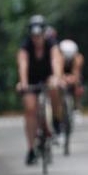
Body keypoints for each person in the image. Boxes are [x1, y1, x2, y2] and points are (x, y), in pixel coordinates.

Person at [15, 15, 64, 165]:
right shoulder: (25, 46)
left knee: (54, 88)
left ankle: (56, 121)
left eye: (39, 35)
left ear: (44, 33)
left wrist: (57, 77)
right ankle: (31, 149)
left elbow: (56, 60)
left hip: (48, 77)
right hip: (31, 80)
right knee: (30, 109)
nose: (37, 39)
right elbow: (23, 63)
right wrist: (23, 82)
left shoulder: (51, 44)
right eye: (34, 36)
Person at [58, 39, 84, 112]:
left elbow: (76, 72)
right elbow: (59, 72)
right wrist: (63, 78)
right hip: (63, 74)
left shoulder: (78, 57)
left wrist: (73, 79)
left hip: (72, 74)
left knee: (78, 86)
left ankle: (76, 106)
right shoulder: (59, 57)